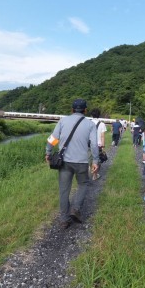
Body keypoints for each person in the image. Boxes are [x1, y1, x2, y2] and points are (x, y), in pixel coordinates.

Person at [45, 98, 99, 229]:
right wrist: (95, 160)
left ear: (72, 109)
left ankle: (64, 220)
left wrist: (48, 152)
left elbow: (53, 139)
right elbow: (94, 145)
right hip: (81, 162)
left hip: (64, 162)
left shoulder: (63, 121)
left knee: (64, 190)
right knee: (83, 184)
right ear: (85, 110)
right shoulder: (90, 124)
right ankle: (76, 208)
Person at [90, 107, 107, 181]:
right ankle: (94, 175)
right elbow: (102, 136)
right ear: (99, 115)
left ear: (91, 115)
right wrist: (103, 145)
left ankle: (89, 170)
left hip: (89, 144)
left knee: (89, 158)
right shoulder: (102, 124)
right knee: (96, 159)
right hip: (98, 145)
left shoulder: (88, 122)